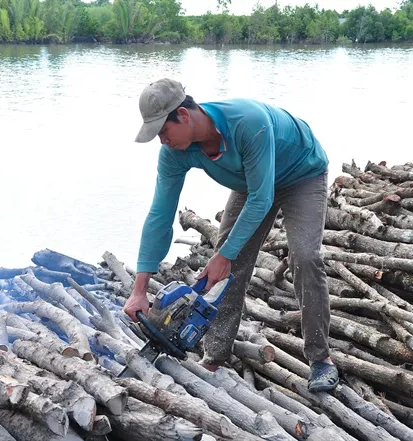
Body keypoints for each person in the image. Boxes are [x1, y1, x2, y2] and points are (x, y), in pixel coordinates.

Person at [124, 78, 339, 392]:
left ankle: (321, 359)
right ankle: (215, 355)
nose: (162, 142)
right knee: (226, 266)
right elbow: (160, 215)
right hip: (252, 182)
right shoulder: (175, 153)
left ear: (183, 116)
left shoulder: (248, 123)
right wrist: (139, 288)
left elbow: (263, 199)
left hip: (301, 173)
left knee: (304, 256)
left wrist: (223, 256)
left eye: (163, 132)